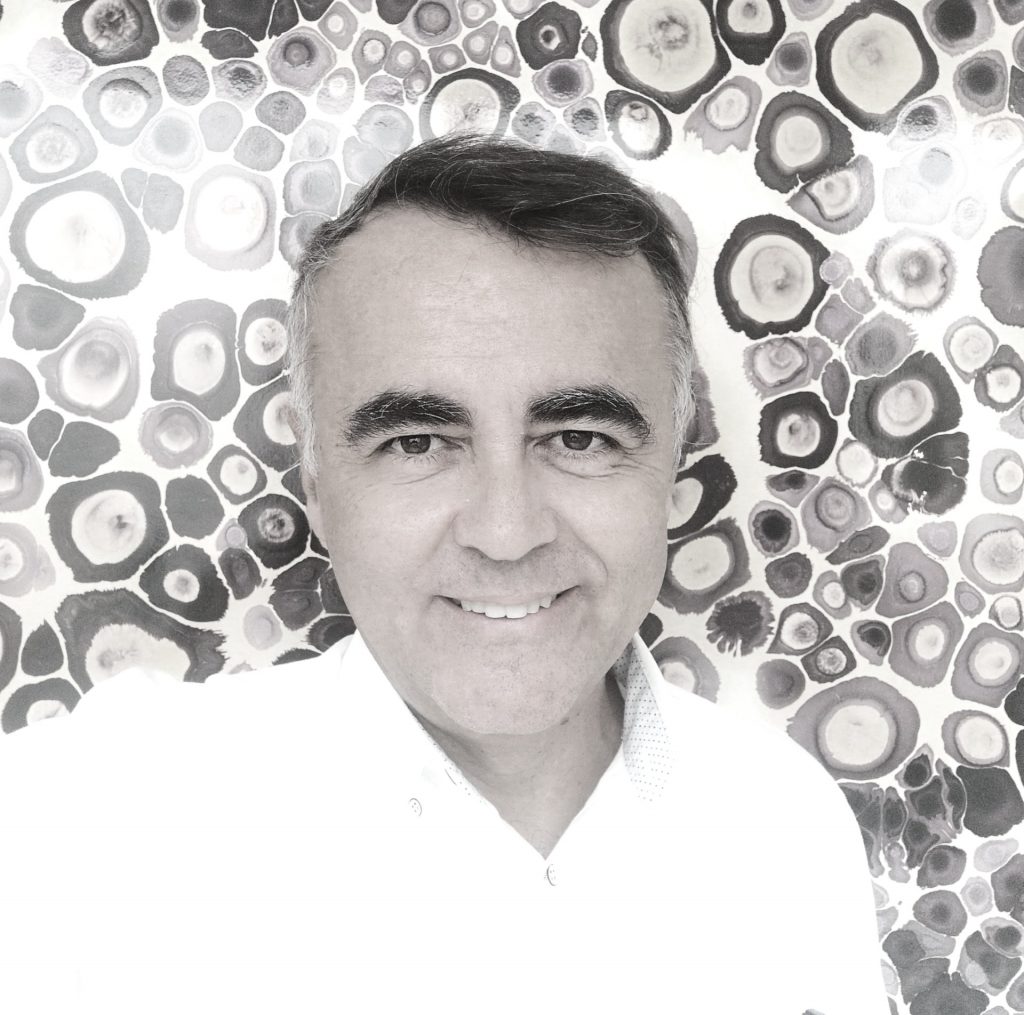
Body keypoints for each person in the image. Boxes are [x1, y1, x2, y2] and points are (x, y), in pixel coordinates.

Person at [0, 135, 888, 1013]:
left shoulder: (787, 828)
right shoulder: (92, 822)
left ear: (674, 466)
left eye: (579, 438)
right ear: (316, 480)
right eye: (417, 442)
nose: (506, 534)